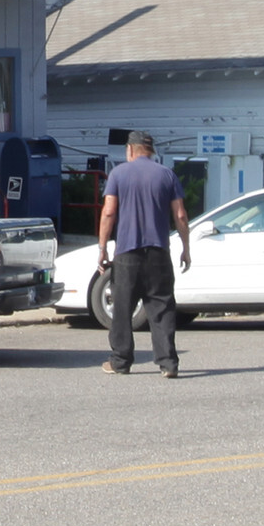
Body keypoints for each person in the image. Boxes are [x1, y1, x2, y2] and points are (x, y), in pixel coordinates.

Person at [97, 130, 191, 377]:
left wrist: (102, 248)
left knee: (122, 309)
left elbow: (108, 212)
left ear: (130, 150)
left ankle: (120, 361)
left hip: (127, 252)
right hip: (159, 251)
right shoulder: (167, 175)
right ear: (151, 151)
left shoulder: (118, 174)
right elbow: (180, 215)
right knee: (161, 308)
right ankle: (168, 363)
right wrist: (186, 248)